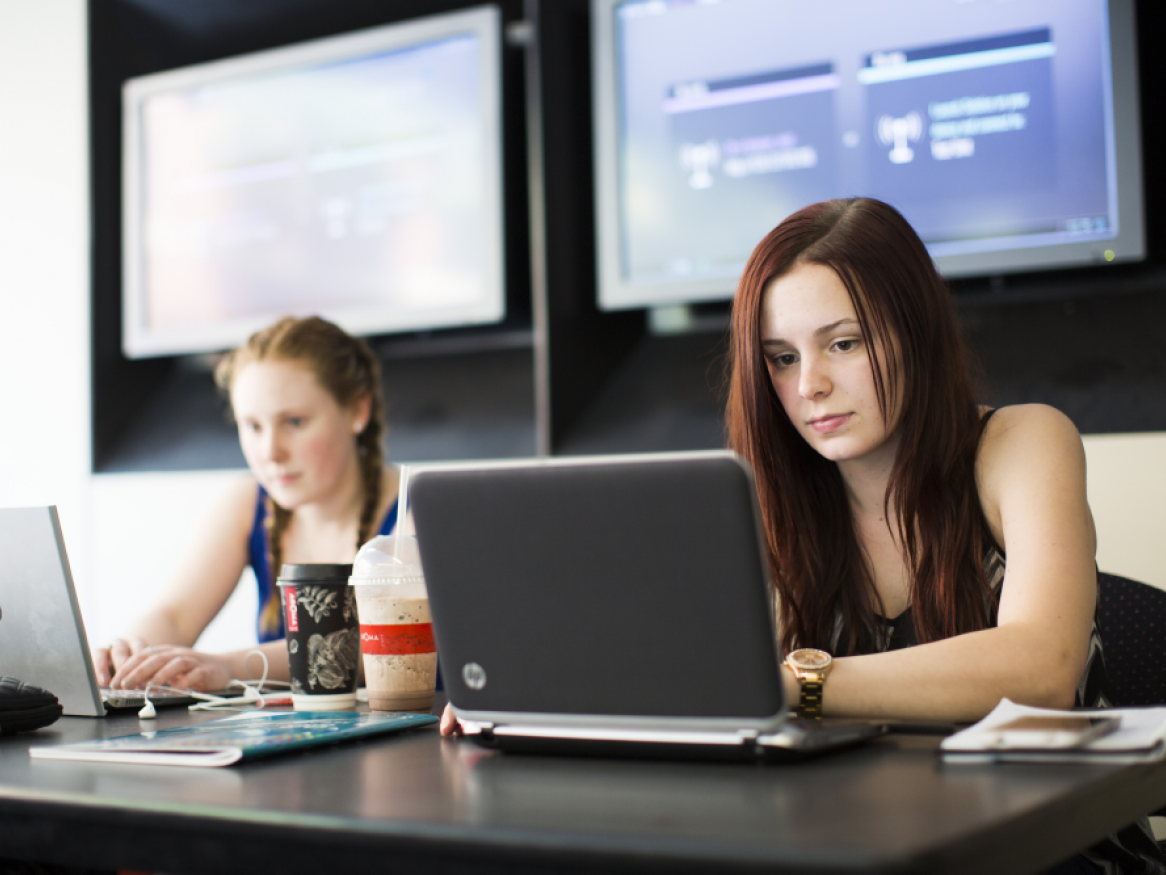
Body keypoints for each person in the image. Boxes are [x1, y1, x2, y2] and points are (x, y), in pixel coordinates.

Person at [721, 198, 1160, 874]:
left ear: (916, 332)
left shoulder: (1022, 442)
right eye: (781, 357)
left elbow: (1041, 666)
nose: (810, 384)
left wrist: (800, 683)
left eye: (845, 342)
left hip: (1055, 849)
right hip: (866, 845)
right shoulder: (767, 497)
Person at [93, 315, 401, 693]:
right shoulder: (247, 502)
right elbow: (174, 615)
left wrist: (228, 666)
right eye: (253, 426)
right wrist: (128, 657)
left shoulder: (415, 508)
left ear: (357, 410)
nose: (270, 452)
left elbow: (380, 646)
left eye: (294, 422)